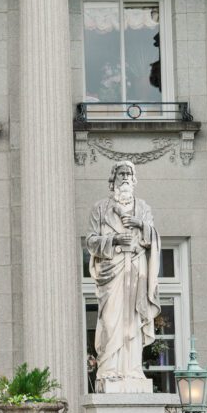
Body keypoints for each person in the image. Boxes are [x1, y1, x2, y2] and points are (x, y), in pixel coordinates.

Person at [86, 160, 161, 392]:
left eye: (129, 174)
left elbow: (154, 238)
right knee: (110, 320)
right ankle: (108, 369)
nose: (126, 178)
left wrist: (140, 225)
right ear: (113, 180)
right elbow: (90, 241)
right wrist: (115, 240)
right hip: (112, 271)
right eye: (121, 174)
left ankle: (132, 369)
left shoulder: (143, 208)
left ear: (134, 179)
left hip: (136, 270)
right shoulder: (100, 209)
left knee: (133, 321)